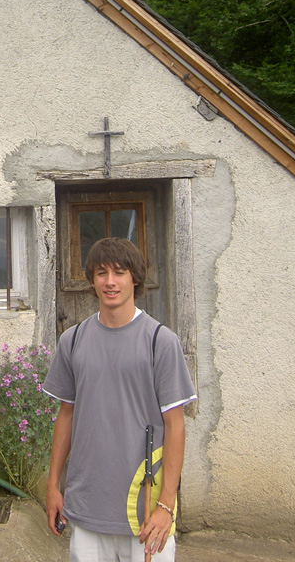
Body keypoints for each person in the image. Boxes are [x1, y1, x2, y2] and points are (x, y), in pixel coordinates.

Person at [44, 237, 196, 562]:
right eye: (101, 273)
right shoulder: (72, 341)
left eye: (119, 272)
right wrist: (54, 486)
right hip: (87, 509)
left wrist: (166, 505)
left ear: (134, 278)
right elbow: (66, 416)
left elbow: (176, 426)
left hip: (145, 512)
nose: (110, 282)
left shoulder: (161, 342)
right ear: (91, 280)